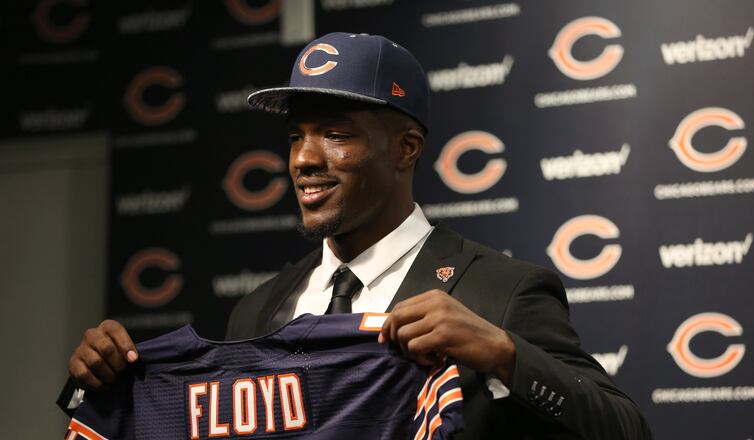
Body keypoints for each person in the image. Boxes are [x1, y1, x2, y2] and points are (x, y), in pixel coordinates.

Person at [61, 32, 653, 439]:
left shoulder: (502, 290)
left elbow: (625, 428)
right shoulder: (259, 310)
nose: (304, 160)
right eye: (297, 137)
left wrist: (503, 352)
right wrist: (103, 384)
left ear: (406, 148)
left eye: (336, 134)